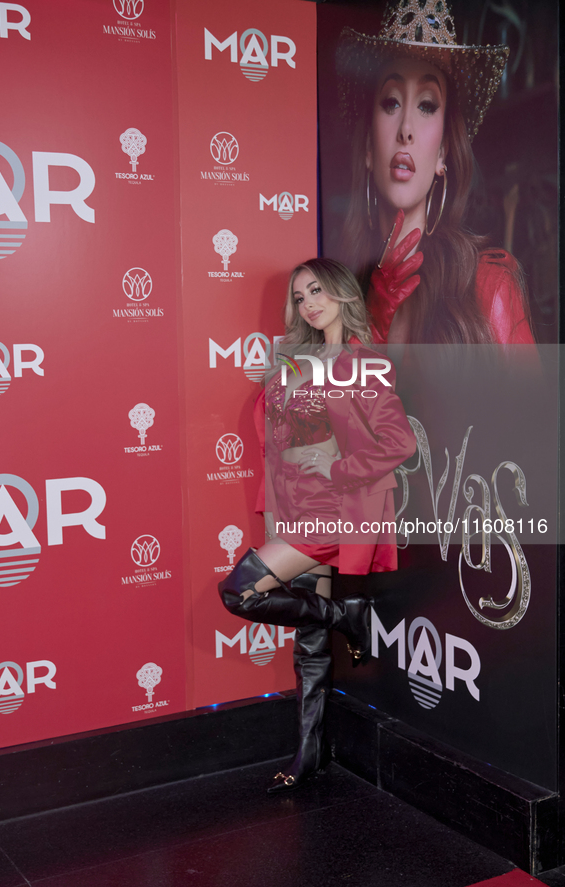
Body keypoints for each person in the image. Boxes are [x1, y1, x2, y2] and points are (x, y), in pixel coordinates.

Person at [218, 258, 416, 793]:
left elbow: (401, 443)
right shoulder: (294, 363)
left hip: (336, 510)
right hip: (296, 507)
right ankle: (310, 753)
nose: (308, 303)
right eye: (300, 295)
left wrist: (337, 466)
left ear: (342, 294)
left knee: (239, 592)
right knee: (309, 644)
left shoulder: (363, 363)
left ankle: (346, 613)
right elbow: (278, 443)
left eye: (317, 290)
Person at [337, 0, 536, 345]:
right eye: (391, 102)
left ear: (443, 153)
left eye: (427, 105)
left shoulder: (489, 292)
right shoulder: (330, 299)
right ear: (369, 148)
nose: (406, 129)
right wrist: (365, 332)